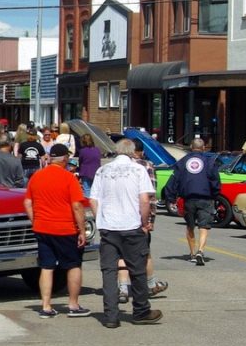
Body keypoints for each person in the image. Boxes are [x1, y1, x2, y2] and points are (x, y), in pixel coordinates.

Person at [89, 138, 163, 328]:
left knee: (109, 271)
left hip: (109, 227)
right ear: (132, 152)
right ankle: (141, 310)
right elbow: (145, 199)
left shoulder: (103, 170)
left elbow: (93, 199)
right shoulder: (139, 170)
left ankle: (111, 315)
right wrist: (144, 222)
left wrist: (101, 219)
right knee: (137, 270)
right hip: (131, 225)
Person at [23, 143, 90, 318]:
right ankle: (73, 305)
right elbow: (77, 206)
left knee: (46, 266)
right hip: (65, 228)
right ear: (65, 159)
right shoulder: (69, 178)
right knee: (73, 265)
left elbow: (28, 203)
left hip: (43, 228)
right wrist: (82, 230)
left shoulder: (37, 176)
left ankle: (45, 306)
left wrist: (35, 220)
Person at [162, 137, 220, 266]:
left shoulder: (183, 162)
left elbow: (174, 180)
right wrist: (215, 195)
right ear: (203, 148)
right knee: (204, 226)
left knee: (190, 226)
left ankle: (193, 253)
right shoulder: (209, 162)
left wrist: (170, 197)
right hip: (206, 198)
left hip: (188, 199)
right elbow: (215, 181)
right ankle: (201, 250)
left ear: (191, 148)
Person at [131, 138, 168, 298]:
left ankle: (123, 288)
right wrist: (150, 220)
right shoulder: (146, 166)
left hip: (120, 219)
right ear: (141, 152)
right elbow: (150, 196)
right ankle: (151, 284)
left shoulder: (113, 167)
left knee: (121, 255)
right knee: (145, 253)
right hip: (140, 217)